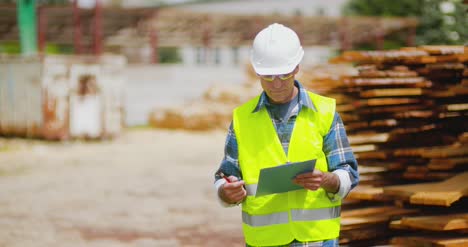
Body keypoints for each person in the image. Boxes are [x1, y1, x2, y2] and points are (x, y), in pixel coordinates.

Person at [213, 23, 359, 247]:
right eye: (268, 76)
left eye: (283, 74)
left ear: (297, 67)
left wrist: (326, 179)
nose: (277, 84)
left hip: (316, 238)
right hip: (265, 241)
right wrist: (225, 192)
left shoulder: (324, 112)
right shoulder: (242, 119)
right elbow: (225, 176)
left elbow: (349, 173)